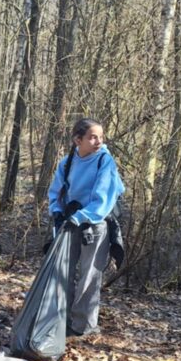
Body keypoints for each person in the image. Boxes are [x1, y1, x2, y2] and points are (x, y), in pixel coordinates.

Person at [47, 117, 125, 337]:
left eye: (101, 137)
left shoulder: (105, 162)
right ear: (77, 140)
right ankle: (60, 320)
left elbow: (103, 198)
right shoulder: (67, 162)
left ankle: (84, 326)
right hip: (70, 223)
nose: (98, 141)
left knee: (89, 276)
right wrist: (57, 212)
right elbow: (55, 192)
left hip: (96, 224)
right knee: (63, 272)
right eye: (92, 137)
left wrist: (82, 217)